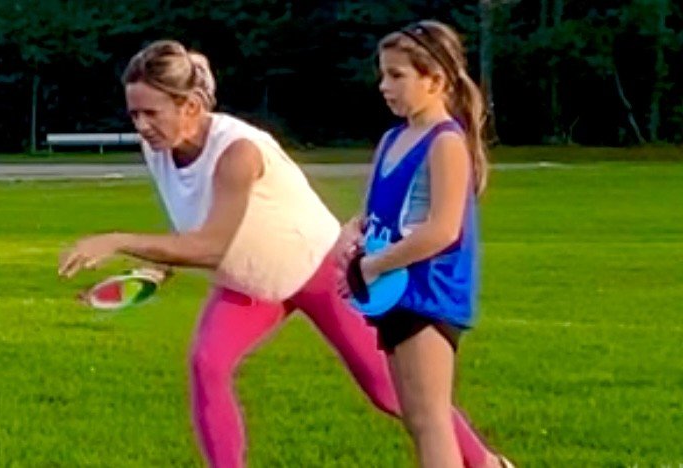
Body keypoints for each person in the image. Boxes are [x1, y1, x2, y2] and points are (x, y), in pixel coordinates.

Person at [59, 39, 504, 468]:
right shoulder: (158, 147)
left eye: (151, 113)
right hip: (250, 283)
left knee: (388, 391)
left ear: (190, 107)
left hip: (320, 271)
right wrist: (155, 269)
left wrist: (115, 239)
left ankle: (485, 462)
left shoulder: (238, 152)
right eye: (134, 113)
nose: (141, 125)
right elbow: (194, 220)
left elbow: (211, 246)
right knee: (206, 365)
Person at [337, 21, 513, 468]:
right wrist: (351, 233)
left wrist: (373, 266)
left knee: (432, 418)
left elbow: (443, 230)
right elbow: (373, 212)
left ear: (435, 80)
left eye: (398, 76)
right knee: (417, 417)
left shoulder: (445, 142)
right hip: (392, 290)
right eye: (383, 74)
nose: (384, 86)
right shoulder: (392, 139)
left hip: (429, 291)